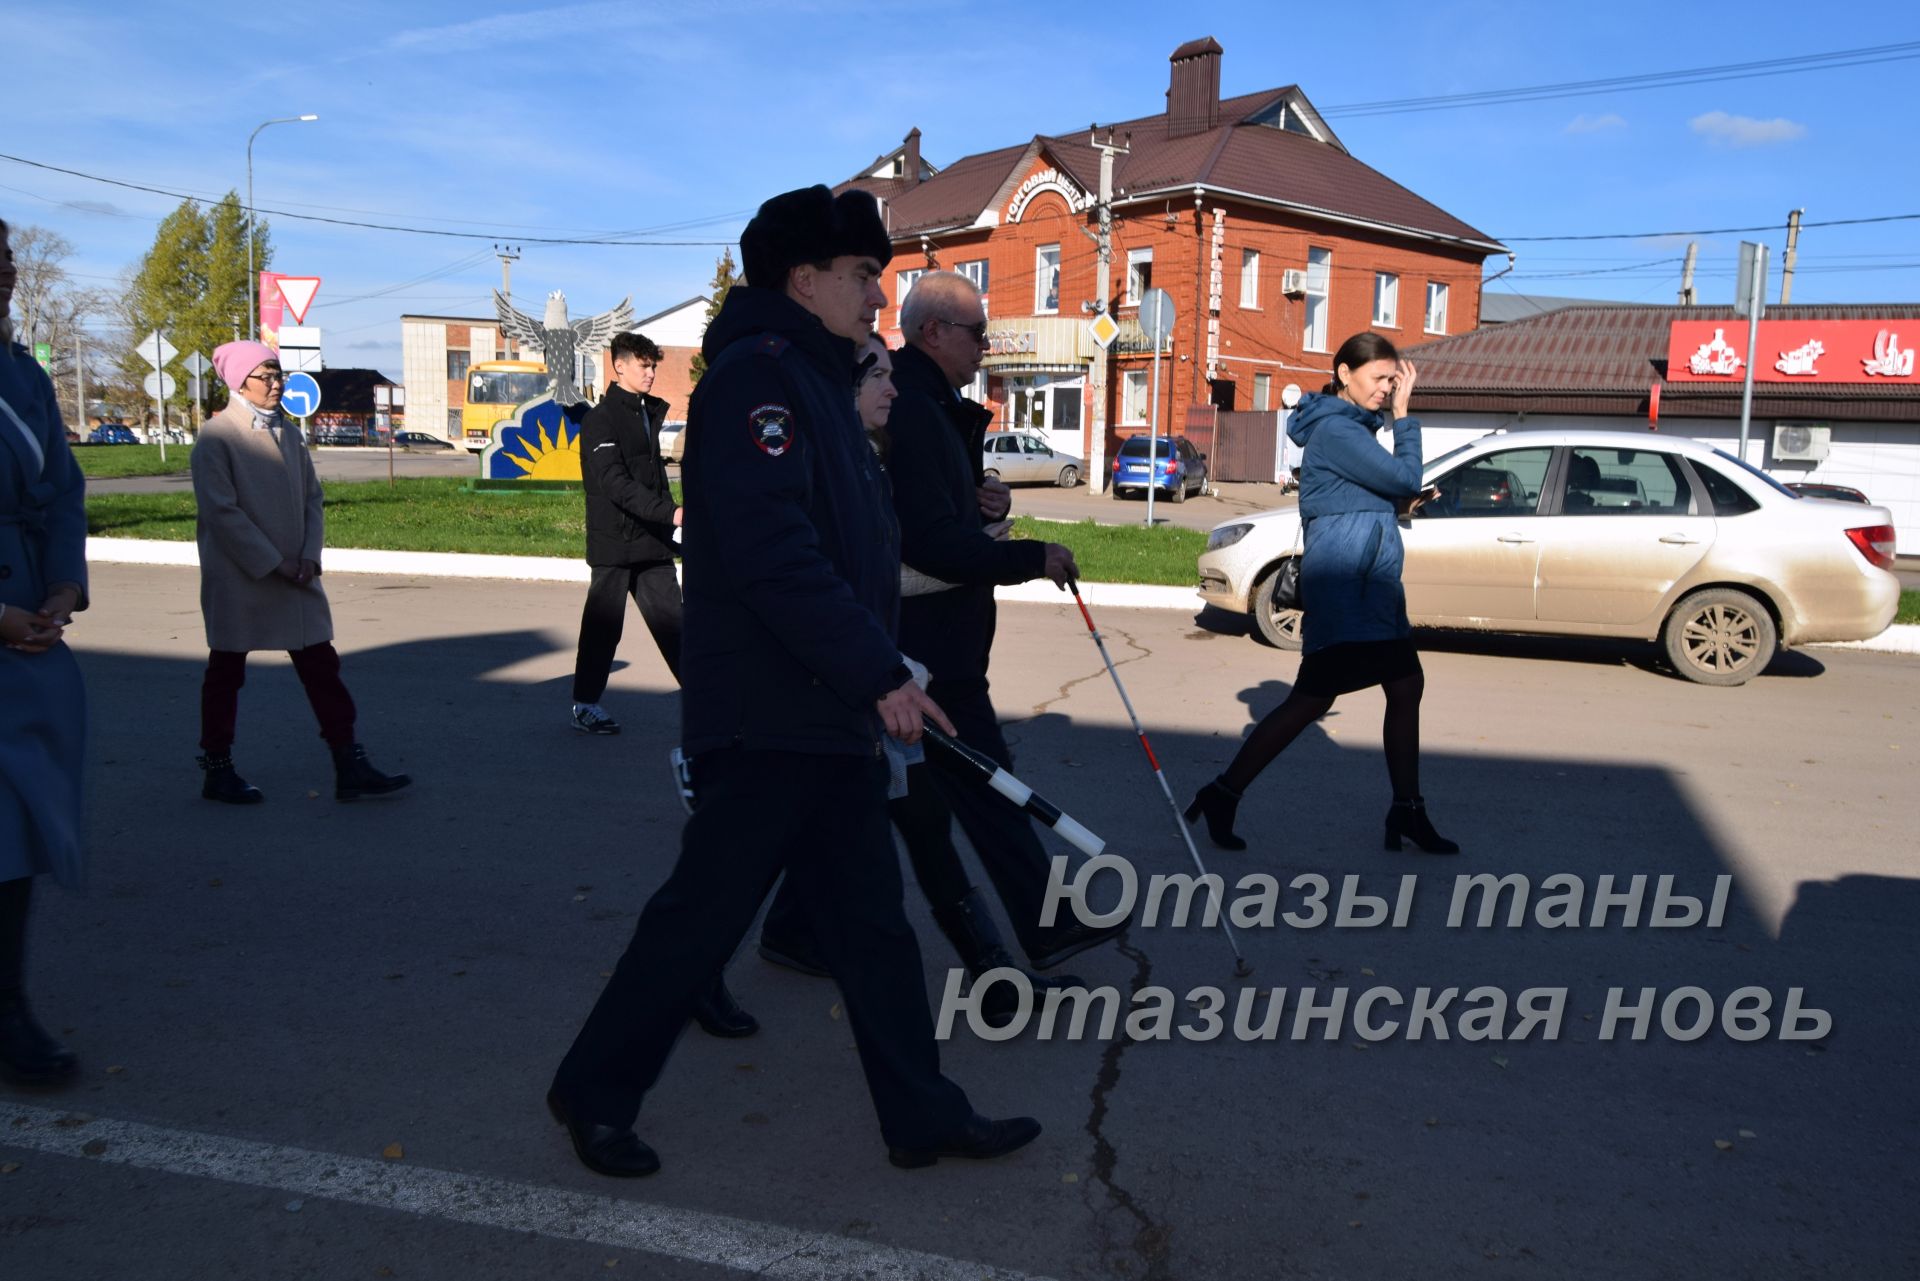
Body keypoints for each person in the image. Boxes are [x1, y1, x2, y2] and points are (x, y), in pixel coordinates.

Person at [547, 185, 1040, 1178]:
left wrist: (879, 664)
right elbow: (776, 554)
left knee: (872, 930)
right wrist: (877, 671)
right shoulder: (758, 383)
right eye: (863, 276)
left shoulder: (819, 381)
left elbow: (852, 549)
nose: (875, 295)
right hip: (770, 715)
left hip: (827, 712)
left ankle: (922, 1114)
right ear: (803, 277)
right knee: (700, 921)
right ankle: (592, 1093)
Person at [760, 272, 1125, 1002]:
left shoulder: (899, 431)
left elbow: (926, 526)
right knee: (939, 806)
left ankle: (797, 931)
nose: (985, 348)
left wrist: (986, 505)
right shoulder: (872, 440)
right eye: (977, 334)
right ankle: (1012, 952)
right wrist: (1022, 553)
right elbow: (910, 553)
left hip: (904, 660)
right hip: (904, 660)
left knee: (879, 807)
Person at [1185, 331, 1457, 854]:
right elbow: (1404, 476)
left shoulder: (1351, 430)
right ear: (1344, 374)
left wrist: (1396, 507)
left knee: (1403, 687)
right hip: (1346, 585)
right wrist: (1404, 417)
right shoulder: (1337, 432)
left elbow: (1369, 498)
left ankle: (1408, 810)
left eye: (1393, 381)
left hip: (1370, 583)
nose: (1387, 389)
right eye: (1380, 379)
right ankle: (1223, 792)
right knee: (1312, 699)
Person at [190, 341, 411, 804]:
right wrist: (273, 563)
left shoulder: (289, 434)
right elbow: (221, 512)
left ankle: (349, 764)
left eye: (278, 374)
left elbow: (313, 498)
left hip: (296, 575)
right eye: (265, 376)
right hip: (242, 578)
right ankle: (217, 769)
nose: (276, 384)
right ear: (239, 381)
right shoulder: (217, 437)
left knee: (321, 666)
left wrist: (309, 555)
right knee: (226, 671)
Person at [0, 216, 89, 1084]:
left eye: (7, 261)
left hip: (27, 622)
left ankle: (8, 1005)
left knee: (15, 825)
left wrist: (61, 587)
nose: (3, 276)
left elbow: (63, 488)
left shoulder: (23, 375)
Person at [569, 330, 682, 735]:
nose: (651, 372)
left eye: (653, 365)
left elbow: (653, 480)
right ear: (619, 366)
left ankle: (711, 702)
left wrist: (670, 525)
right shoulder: (601, 419)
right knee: (603, 629)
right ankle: (586, 704)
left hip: (652, 543)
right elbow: (614, 482)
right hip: (614, 543)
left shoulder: (647, 412)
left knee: (677, 627)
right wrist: (671, 515)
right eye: (643, 365)